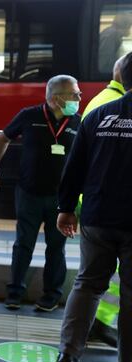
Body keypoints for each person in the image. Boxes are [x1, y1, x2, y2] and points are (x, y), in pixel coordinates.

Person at [56, 52, 132, 362]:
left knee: (87, 284)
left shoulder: (98, 115)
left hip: (98, 217)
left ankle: (68, 355)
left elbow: (75, 167)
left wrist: (66, 208)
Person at [0, 75, 81, 312]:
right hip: (28, 193)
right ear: (58, 99)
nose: (79, 97)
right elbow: (3, 138)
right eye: (74, 94)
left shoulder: (78, 122)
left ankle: (51, 296)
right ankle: (14, 292)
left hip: (61, 199)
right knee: (23, 244)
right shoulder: (29, 116)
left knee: (56, 247)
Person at [80, 55, 128, 347]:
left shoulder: (100, 101)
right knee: (96, 278)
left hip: (98, 204)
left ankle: (92, 326)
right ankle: (98, 322)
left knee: (91, 278)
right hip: (110, 208)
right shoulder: (109, 105)